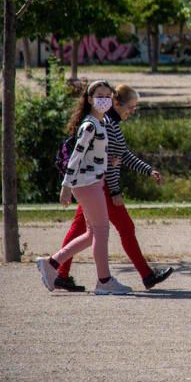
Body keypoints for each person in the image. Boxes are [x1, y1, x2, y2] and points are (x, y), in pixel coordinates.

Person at [51, 84, 173, 292]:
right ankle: (141, 276)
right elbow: (101, 160)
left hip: (97, 186)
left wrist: (147, 170)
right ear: (117, 104)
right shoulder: (104, 124)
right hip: (100, 187)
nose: (133, 111)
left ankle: (60, 273)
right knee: (123, 228)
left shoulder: (111, 124)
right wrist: (115, 190)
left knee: (82, 229)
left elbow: (122, 155)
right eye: (131, 107)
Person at [37, 80, 131, 295]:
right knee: (101, 231)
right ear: (89, 99)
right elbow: (76, 156)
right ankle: (104, 281)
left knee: (91, 234)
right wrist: (66, 186)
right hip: (87, 184)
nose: (104, 99)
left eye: (108, 96)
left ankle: (51, 264)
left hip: (92, 182)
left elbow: (91, 156)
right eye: (100, 95)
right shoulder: (90, 125)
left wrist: (109, 162)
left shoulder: (99, 124)